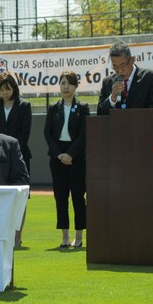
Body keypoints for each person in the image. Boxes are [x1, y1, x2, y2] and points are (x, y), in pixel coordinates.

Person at [44, 71, 90, 248]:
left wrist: (70, 154)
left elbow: (83, 134)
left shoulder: (82, 107)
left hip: (77, 157)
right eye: (63, 83)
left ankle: (78, 237)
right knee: (60, 198)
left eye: (69, 83)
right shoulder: (53, 108)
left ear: (76, 86)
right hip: (57, 158)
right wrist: (59, 154)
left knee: (78, 197)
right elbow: (47, 134)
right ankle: (64, 236)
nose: (65, 87)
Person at [0, 70, 32, 247]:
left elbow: (24, 133)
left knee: (20, 198)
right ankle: (1, 235)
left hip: (19, 158)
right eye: (2, 89)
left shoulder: (24, 106)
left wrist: (10, 151)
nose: (5, 92)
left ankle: (17, 238)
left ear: (14, 88)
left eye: (8, 88)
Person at [97, 41, 153, 115]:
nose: (119, 71)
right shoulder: (107, 82)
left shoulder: (151, 77)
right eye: (115, 66)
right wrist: (112, 98)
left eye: (122, 65)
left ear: (132, 60)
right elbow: (100, 114)